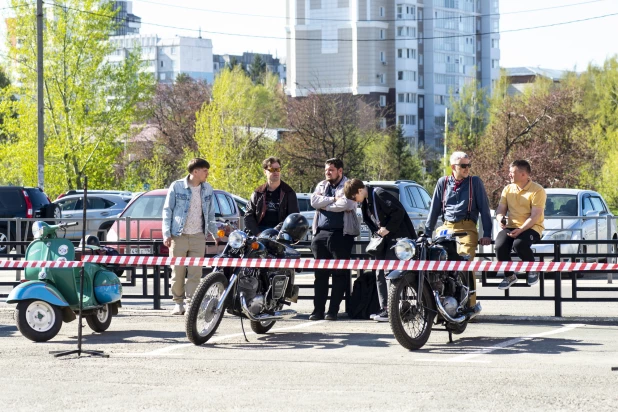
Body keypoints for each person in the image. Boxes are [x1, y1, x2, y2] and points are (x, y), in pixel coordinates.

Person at [425, 151, 492, 316]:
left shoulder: (474, 182)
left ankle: (470, 305)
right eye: (463, 166)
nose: (467, 168)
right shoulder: (443, 182)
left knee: (464, 261)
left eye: (468, 165)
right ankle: (436, 302)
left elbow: (484, 209)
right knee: (434, 259)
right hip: (446, 227)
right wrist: (427, 234)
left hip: (467, 227)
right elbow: (434, 210)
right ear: (453, 167)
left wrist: (487, 234)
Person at [344, 179, 417, 322]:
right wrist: (378, 233)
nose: (355, 201)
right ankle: (386, 308)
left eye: (354, 197)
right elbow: (369, 221)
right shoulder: (365, 201)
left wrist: (387, 228)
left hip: (397, 240)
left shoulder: (379, 194)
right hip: (384, 241)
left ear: (359, 191)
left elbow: (398, 211)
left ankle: (394, 308)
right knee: (379, 272)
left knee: (390, 272)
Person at [162, 158, 221, 315]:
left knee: (195, 273)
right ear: (195, 172)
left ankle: (191, 304)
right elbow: (167, 210)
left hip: (198, 236)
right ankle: (178, 303)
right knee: (177, 271)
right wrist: (166, 233)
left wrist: (214, 233)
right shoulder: (177, 186)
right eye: (205, 171)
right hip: (178, 236)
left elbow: (210, 213)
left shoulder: (207, 189)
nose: (207, 174)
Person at [309, 158, 360, 321]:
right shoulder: (321, 185)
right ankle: (318, 311)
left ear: (340, 171)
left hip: (342, 235)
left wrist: (324, 204)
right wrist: (332, 200)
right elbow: (313, 201)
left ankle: (333, 311)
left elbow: (346, 204)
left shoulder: (349, 185)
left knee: (340, 274)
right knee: (320, 275)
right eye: (326, 170)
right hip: (321, 233)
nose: (328, 173)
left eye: (331, 170)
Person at [495, 159, 546, 290]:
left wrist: (521, 229)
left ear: (523, 174)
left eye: (512, 172)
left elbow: (535, 216)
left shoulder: (537, 190)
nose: (509, 175)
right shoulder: (508, 189)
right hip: (511, 227)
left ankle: (532, 270)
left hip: (532, 227)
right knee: (499, 246)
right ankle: (510, 276)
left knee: (519, 244)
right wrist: (500, 218)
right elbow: (500, 209)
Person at [244, 157, 300, 236]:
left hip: (281, 234)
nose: (276, 172)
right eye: (272, 170)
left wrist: (274, 232)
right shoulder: (258, 192)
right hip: (259, 232)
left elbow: (293, 217)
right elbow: (248, 216)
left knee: (288, 248)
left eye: (278, 169)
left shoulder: (289, 192)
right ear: (265, 172)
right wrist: (257, 233)